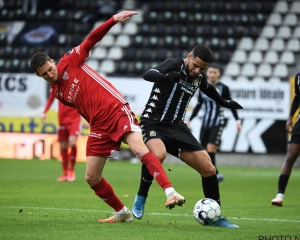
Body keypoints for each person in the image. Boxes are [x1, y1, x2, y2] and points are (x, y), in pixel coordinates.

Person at [30, 11, 185, 223]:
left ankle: (170, 192)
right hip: (98, 125)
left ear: (52, 61)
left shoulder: (71, 60)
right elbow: (82, 106)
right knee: (91, 177)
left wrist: (112, 20)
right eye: (45, 74)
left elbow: (91, 39)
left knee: (139, 150)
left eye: (50, 69)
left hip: (115, 109)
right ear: (38, 76)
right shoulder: (57, 93)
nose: (50, 74)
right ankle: (122, 213)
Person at [131, 45, 243, 228]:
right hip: (154, 123)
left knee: (209, 169)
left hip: (177, 128)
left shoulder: (197, 77)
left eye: (202, 68)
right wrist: (167, 77)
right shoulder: (173, 64)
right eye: (195, 65)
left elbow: (209, 90)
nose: (197, 70)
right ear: (189, 56)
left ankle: (216, 216)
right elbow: (148, 75)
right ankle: (141, 197)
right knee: (158, 154)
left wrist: (224, 102)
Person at [186, 64, 242, 182]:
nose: (212, 74)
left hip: (217, 122)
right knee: (204, 150)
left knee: (211, 148)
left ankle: (214, 174)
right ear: (207, 73)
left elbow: (229, 103)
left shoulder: (223, 88)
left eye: (214, 72)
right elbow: (199, 105)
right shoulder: (202, 87)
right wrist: (190, 120)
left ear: (218, 74)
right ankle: (214, 172)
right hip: (205, 123)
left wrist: (237, 121)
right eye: (210, 72)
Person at [271, 72, 300, 206]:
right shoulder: (298, 77)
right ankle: (279, 195)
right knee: (291, 155)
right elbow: (297, 97)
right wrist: (290, 117)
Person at [41, 91, 82, 182]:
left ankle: (71, 170)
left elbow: (85, 101)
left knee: (73, 142)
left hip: (74, 119)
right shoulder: (56, 85)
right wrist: (44, 112)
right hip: (62, 118)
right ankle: (65, 172)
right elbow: (51, 98)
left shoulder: (75, 84)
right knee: (63, 145)